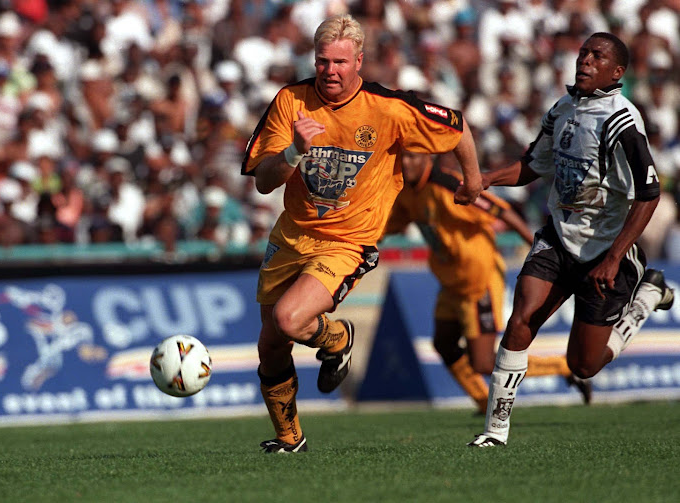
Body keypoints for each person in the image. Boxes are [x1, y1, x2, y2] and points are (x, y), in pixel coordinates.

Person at [241, 14, 483, 453]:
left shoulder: (388, 109)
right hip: (292, 234)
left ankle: (339, 338)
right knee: (271, 346)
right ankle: (289, 439)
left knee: (290, 319)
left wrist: (472, 179)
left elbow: (456, 125)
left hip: (347, 242)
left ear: (359, 61)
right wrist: (294, 151)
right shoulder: (290, 102)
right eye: (321, 61)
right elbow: (262, 180)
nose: (329, 71)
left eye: (339, 62)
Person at [468, 33, 675, 448]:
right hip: (559, 239)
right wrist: (487, 179)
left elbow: (649, 194)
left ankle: (644, 301)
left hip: (605, 252)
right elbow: (532, 166)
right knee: (522, 316)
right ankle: (495, 431)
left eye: (597, 56)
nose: (584, 60)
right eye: (583, 52)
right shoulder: (562, 108)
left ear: (617, 73)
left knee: (583, 365)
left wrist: (615, 257)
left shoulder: (621, 121)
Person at [385, 151, 592, 415]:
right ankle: (484, 401)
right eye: (403, 157)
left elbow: (502, 211)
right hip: (452, 284)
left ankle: (564, 367)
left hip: (478, 282)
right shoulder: (408, 191)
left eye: (413, 157)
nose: (405, 162)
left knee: (483, 362)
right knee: (444, 344)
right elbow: (391, 223)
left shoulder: (447, 185)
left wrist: (536, 247)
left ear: (428, 157)